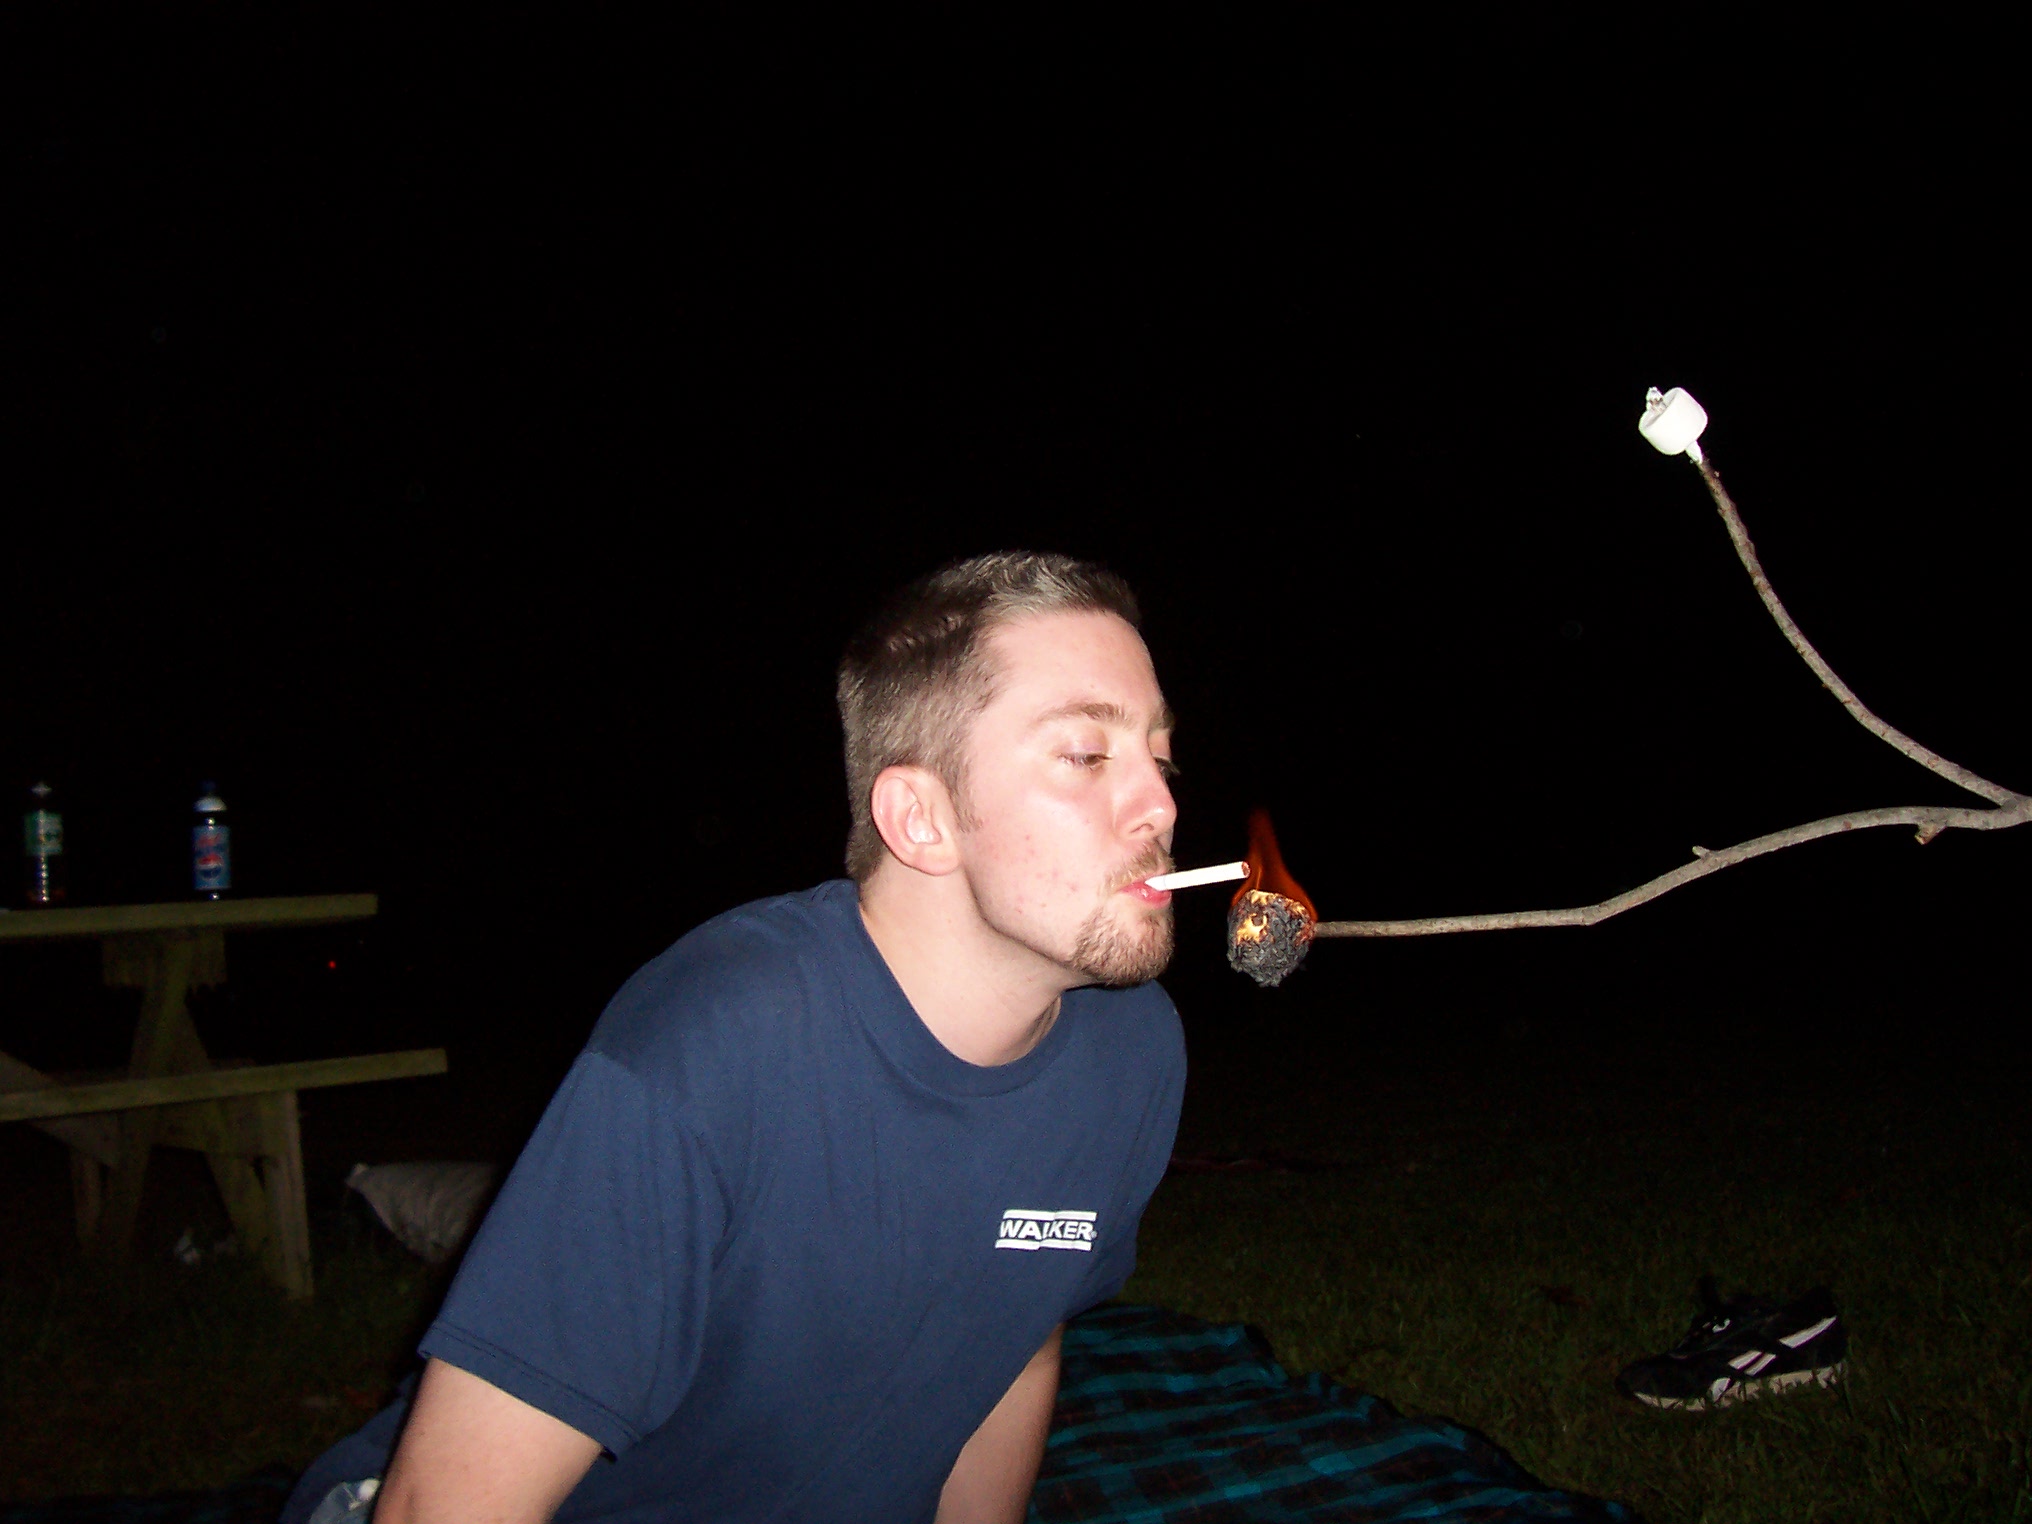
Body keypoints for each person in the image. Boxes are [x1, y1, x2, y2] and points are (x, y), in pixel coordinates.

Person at [348, 552, 1189, 1524]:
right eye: (1086, 755)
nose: (1161, 805)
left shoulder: (1131, 1052)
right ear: (921, 819)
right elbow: (440, 1505)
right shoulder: (723, 1040)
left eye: (1160, 757)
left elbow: (1017, 1340)